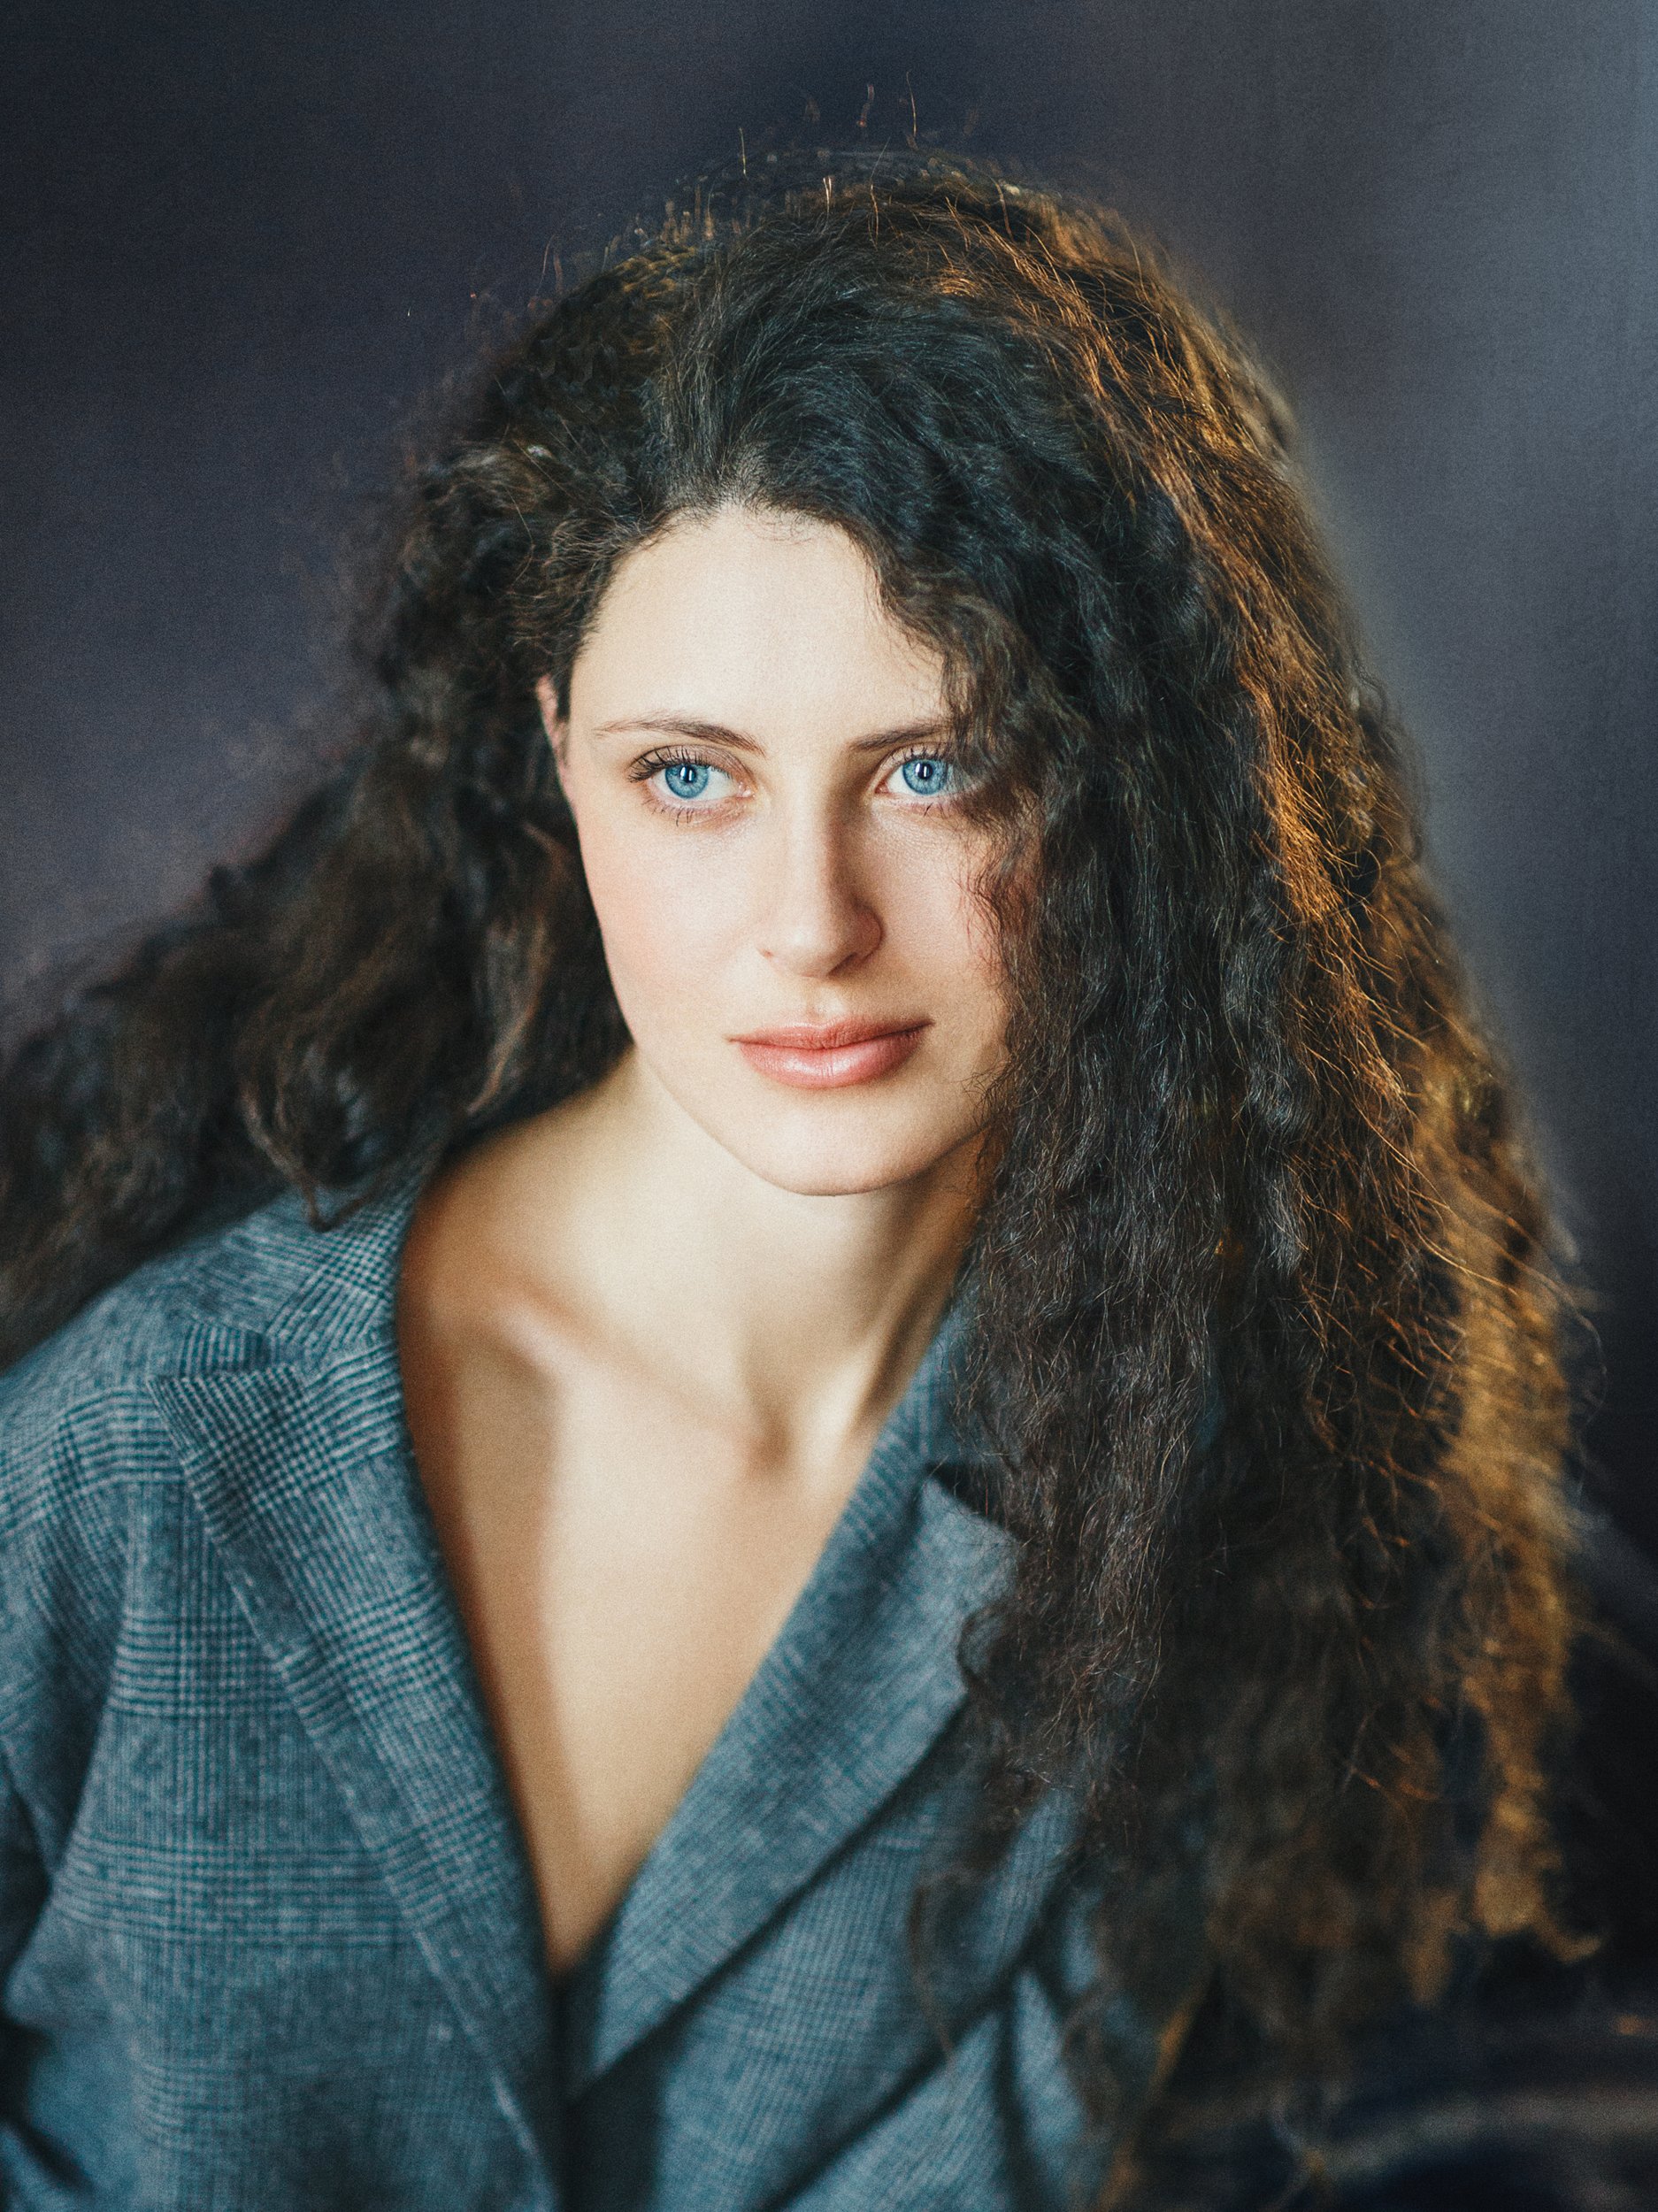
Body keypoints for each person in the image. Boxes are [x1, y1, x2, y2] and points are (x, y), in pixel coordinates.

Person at [0, 148, 1604, 2208]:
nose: (810, 924)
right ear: (555, 750)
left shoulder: (1203, 1499)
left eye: (934, 767)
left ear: (1129, 783)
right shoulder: (146, 1448)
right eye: (690, 776)